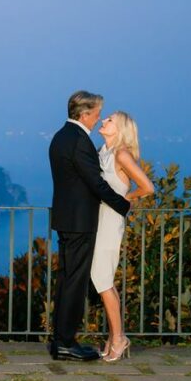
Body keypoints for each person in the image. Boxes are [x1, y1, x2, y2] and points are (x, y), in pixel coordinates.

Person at [48, 90, 131, 361]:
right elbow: (94, 182)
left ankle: (60, 339)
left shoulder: (61, 137)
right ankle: (66, 342)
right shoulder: (79, 140)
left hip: (66, 218)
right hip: (80, 222)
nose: (98, 118)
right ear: (85, 114)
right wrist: (123, 205)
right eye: (97, 113)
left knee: (66, 279)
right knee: (74, 282)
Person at [92, 111, 154, 362]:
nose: (103, 120)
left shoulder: (121, 154)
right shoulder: (103, 151)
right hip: (98, 220)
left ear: (119, 129)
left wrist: (123, 200)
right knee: (104, 279)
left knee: (101, 279)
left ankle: (118, 338)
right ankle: (115, 336)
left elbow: (148, 188)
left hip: (109, 222)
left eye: (109, 120)